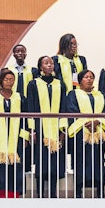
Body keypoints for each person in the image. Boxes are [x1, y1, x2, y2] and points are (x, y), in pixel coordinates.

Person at [26, 55, 68, 197]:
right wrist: (32, 130)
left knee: (54, 160)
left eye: (51, 63)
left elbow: (63, 107)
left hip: (56, 129)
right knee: (41, 160)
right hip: (40, 128)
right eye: (46, 63)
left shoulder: (60, 84)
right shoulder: (33, 84)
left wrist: (63, 129)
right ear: (40, 67)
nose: (50, 65)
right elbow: (30, 107)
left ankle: (53, 192)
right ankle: (40, 193)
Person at [65, 69, 105, 198]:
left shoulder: (100, 95)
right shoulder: (73, 94)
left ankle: (100, 190)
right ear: (80, 81)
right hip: (81, 133)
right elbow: (71, 110)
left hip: (99, 133)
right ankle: (78, 191)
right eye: (86, 77)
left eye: (91, 77)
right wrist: (88, 123)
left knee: (98, 161)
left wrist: (97, 121)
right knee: (81, 161)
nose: (89, 79)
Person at [0, 70, 28, 198]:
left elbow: (26, 118)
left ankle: (15, 192)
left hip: (16, 137)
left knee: (17, 164)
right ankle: (1, 192)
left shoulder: (20, 97)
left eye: (12, 79)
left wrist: (25, 136)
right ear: (1, 81)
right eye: (6, 79)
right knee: (0, 164)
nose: (9, 82)